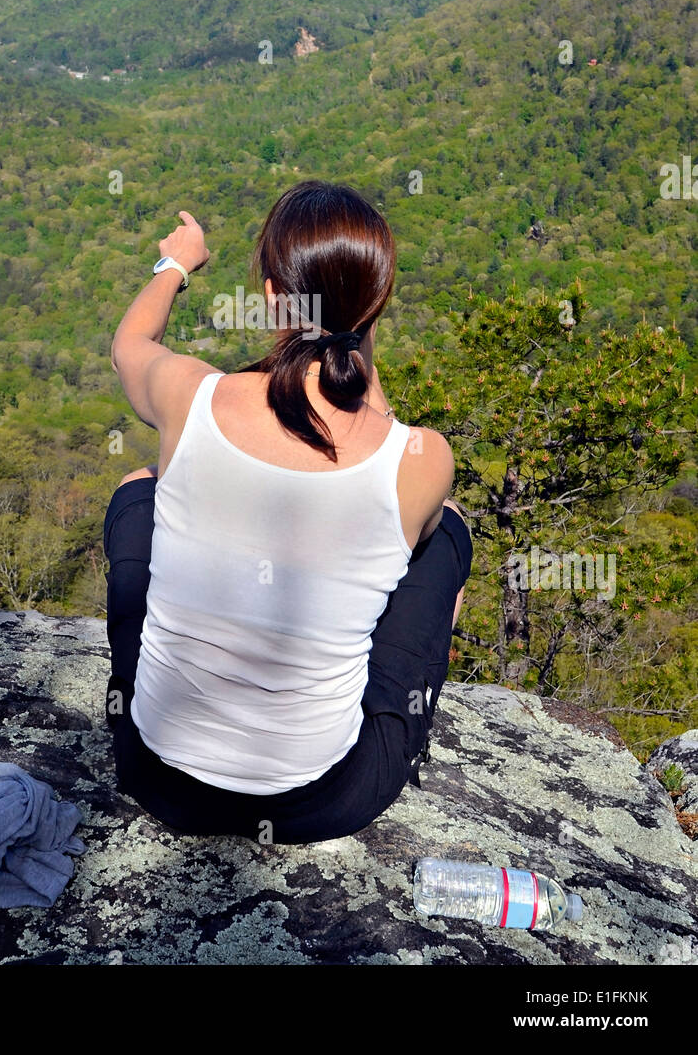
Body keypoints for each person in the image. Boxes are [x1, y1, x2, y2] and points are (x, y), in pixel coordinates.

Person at [104, 180, 472, 844]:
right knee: (444, 527)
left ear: (272, 297)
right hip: (322, 799)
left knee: (139, 485)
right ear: (379, 302)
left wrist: (177, 265)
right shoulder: (420, 457)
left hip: (155, 773)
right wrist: (355, 337)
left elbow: (128, 343)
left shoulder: (191, 393)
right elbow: (373, 434)